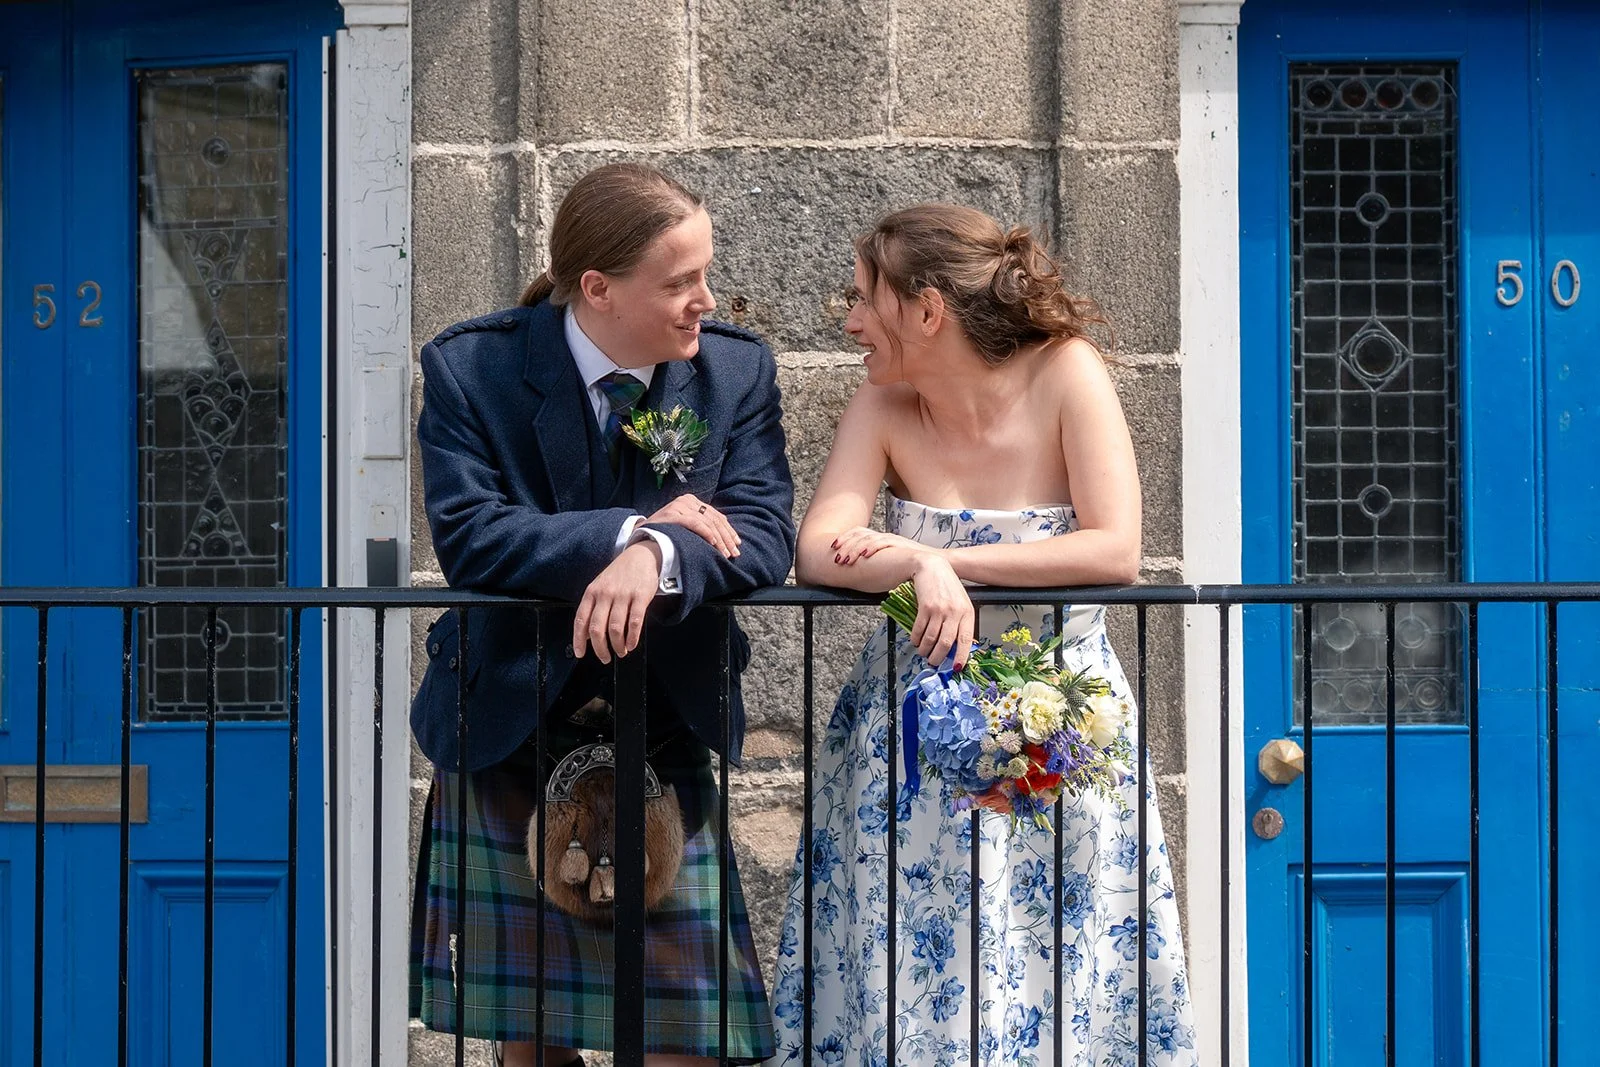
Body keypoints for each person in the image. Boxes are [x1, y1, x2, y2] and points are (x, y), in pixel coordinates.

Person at [766, 204, 1196, 1066]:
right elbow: (817, 549)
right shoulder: (883, 402)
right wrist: (925, 571)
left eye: (862, 298)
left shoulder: (1067, 372)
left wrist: (945, 558)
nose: (849, 320)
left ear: (927, 309)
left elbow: (1115, 546)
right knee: (908, 979)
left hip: (1063, 735)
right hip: (908, 743)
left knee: (1063, 969)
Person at [408, 163, 795, 1067]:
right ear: (598, 289)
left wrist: (657, 557)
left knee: (687, 1040)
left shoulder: (732, 372)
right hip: (510, 716)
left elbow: (764, 530)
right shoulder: (474, 369)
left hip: (662, 721)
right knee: (534, 1039)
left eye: (704, 274)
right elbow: (473, 537)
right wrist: (631, 527)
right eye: (680, 282)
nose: (705, 299)